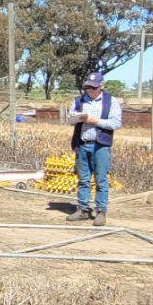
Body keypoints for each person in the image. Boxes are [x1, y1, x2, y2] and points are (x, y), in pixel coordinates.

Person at [66, 72, 121, 224]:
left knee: (101, 180)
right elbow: (70, 119)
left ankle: (101, 212)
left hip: (101, 146)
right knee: (83, 180)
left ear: (101, 86)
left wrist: (95, 121)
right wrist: (76, 118)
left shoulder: (111, 101)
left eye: (94, 87)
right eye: (88, 87)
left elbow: (116, 123)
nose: (90, 90)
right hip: (83, 145)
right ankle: (83, 209)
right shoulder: (79, 101)